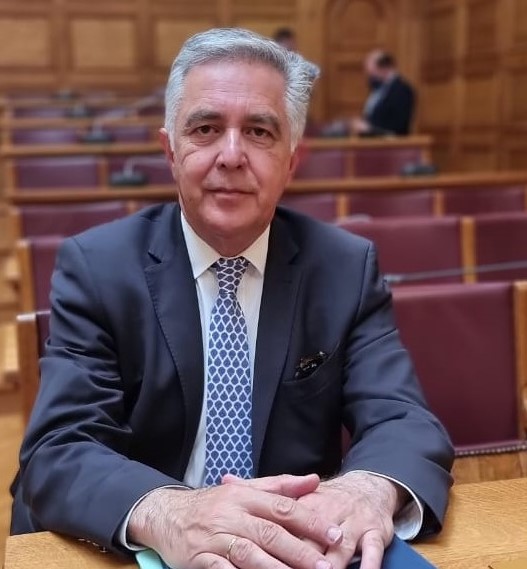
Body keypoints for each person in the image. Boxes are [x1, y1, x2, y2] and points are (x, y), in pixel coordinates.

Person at [10, 28, 453, 569]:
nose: (232, 155)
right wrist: (171, 511)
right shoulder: (98, 267)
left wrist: (366, 490)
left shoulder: (345, 269)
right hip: (144, 550)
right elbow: (59, 447)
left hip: (294, 552)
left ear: (292, 160)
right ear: (170, 150)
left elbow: (403, 419)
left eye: (260, 132)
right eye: (206, 129)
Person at [350, 49, 416, 136]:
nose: (370, 77)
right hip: (371, 141)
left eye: (373, 73)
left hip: (391, 143)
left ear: (384, 68)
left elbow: (398, 126)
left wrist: (369, 129)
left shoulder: (402, 91)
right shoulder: (378, 89)